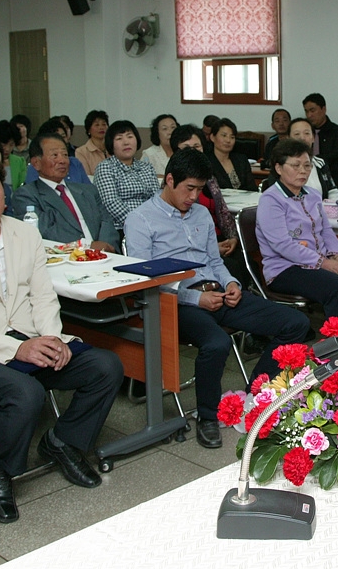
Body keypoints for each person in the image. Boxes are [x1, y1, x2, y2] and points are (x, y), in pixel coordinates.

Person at [0, 158, 122, 523]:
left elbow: (43, 296)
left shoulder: (24, 234)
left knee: (105, 366)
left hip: (30, 336)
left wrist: (50, 336)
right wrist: (18, 348)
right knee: (24, 393)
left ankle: (64, 443)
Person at [125, 149, 310, 448]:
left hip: (218, 293)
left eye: (200, 189)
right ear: (169, 180)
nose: (195, 197)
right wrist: (193, 299)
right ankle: (208, 417)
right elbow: (145, 282)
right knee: (217, 342)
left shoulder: (199, 213)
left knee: (296, 323)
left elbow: (214, 260)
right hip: (175, 304)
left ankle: (257, 393)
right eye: (189, 189)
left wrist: (232, 283)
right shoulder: (141, 220)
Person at [257, 140, 338, 331]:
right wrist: (326, 263)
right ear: (278, 168)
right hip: (285, 268)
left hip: (318, 261)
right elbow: (283, 245)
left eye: (307, 165)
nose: (303, 171)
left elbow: (326, 230)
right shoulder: (271, 200)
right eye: (295, 166)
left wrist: (337, 255)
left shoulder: (312, 194)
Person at [11, 133, 117, 250]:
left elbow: (106, 222)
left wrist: (105, 247)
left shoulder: (88, 191)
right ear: (36, 163)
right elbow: (45, 232)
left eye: (65, 155)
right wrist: (86, 246)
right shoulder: (26, 195)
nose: (62, 160)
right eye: (55, 155)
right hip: (64, 260)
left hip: (105, 257)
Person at [171, 125, 238, 259]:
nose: (193, 153)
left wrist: (233, 238)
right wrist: (211, 248)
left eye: (197, 147)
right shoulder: (174, 182)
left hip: (219, 238)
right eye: (186, 148)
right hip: (197, 246)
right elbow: (181, 228)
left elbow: (223, 211)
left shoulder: (209, 177)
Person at [95, 120, 158, 231]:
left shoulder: (147, 167)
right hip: (120, 227)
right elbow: (111, 203)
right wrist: (138, 223)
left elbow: (156, 199)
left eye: (130, 136)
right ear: (111, 144)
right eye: (119, 138)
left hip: (151, 225)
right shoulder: (105, 167)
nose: (126, 142)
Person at [260, 118, 337, 201]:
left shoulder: (320, 163)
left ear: (313, 138)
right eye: (297, 134)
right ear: (288, 138)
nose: (302, 138)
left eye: (307, 133)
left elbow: (332, 191)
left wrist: (332, 208)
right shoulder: (282, 163)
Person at [302, 93, 338, 190]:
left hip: (333, 178)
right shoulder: (304, 132)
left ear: (323, 109)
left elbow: (336, 155)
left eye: (312, 110)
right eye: (306, 111)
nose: (309, 115)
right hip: (306, 177)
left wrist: (314, 161)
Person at [206, 118, 255, 191]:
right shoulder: (206, 162)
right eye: (224, 135)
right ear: (212, 137)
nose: (228, 140)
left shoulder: (241, 160)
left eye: (232, 137)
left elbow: (252, 188)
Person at [74, 110, 110, 181]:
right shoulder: (81, 152)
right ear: (89, 130)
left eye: (104, 124)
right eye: (97, 125)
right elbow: (86, 177)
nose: (101, 128)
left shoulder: (115, 148)